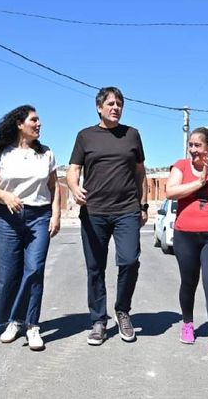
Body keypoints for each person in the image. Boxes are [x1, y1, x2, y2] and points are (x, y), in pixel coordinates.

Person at [67, 86, 148, 346]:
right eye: (111, 103)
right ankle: (98, 321)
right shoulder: (85, 136)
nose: (116, 108)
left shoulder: (132, 135)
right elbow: (73, 170)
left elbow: (140, 173)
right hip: (94, 212)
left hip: (126, 210)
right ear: (99, 107)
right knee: (95, 268)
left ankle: (122, 311)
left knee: (129, 261)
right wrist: (74, 187)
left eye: (119, 104)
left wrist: (143, 206)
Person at [0, 105, 61, 351]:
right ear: (19, 124)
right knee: (7, 274)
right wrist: (5, 196)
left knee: (34, 269)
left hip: (39, 216)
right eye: (33, 120)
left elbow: (54, 187)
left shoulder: (46, 154)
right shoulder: (3, 154)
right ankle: (13, 321)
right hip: (8, 218)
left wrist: (56, 215)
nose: (39, 124)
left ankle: (32, 325)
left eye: (39, 120)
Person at [165, 126, 208, 362]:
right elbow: (170, 192)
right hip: (185, 234)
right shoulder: (181, 166)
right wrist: (199, 182)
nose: (192, 149)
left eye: (197, 145)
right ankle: (187, 323)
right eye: (190, 145)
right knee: (189, 281)